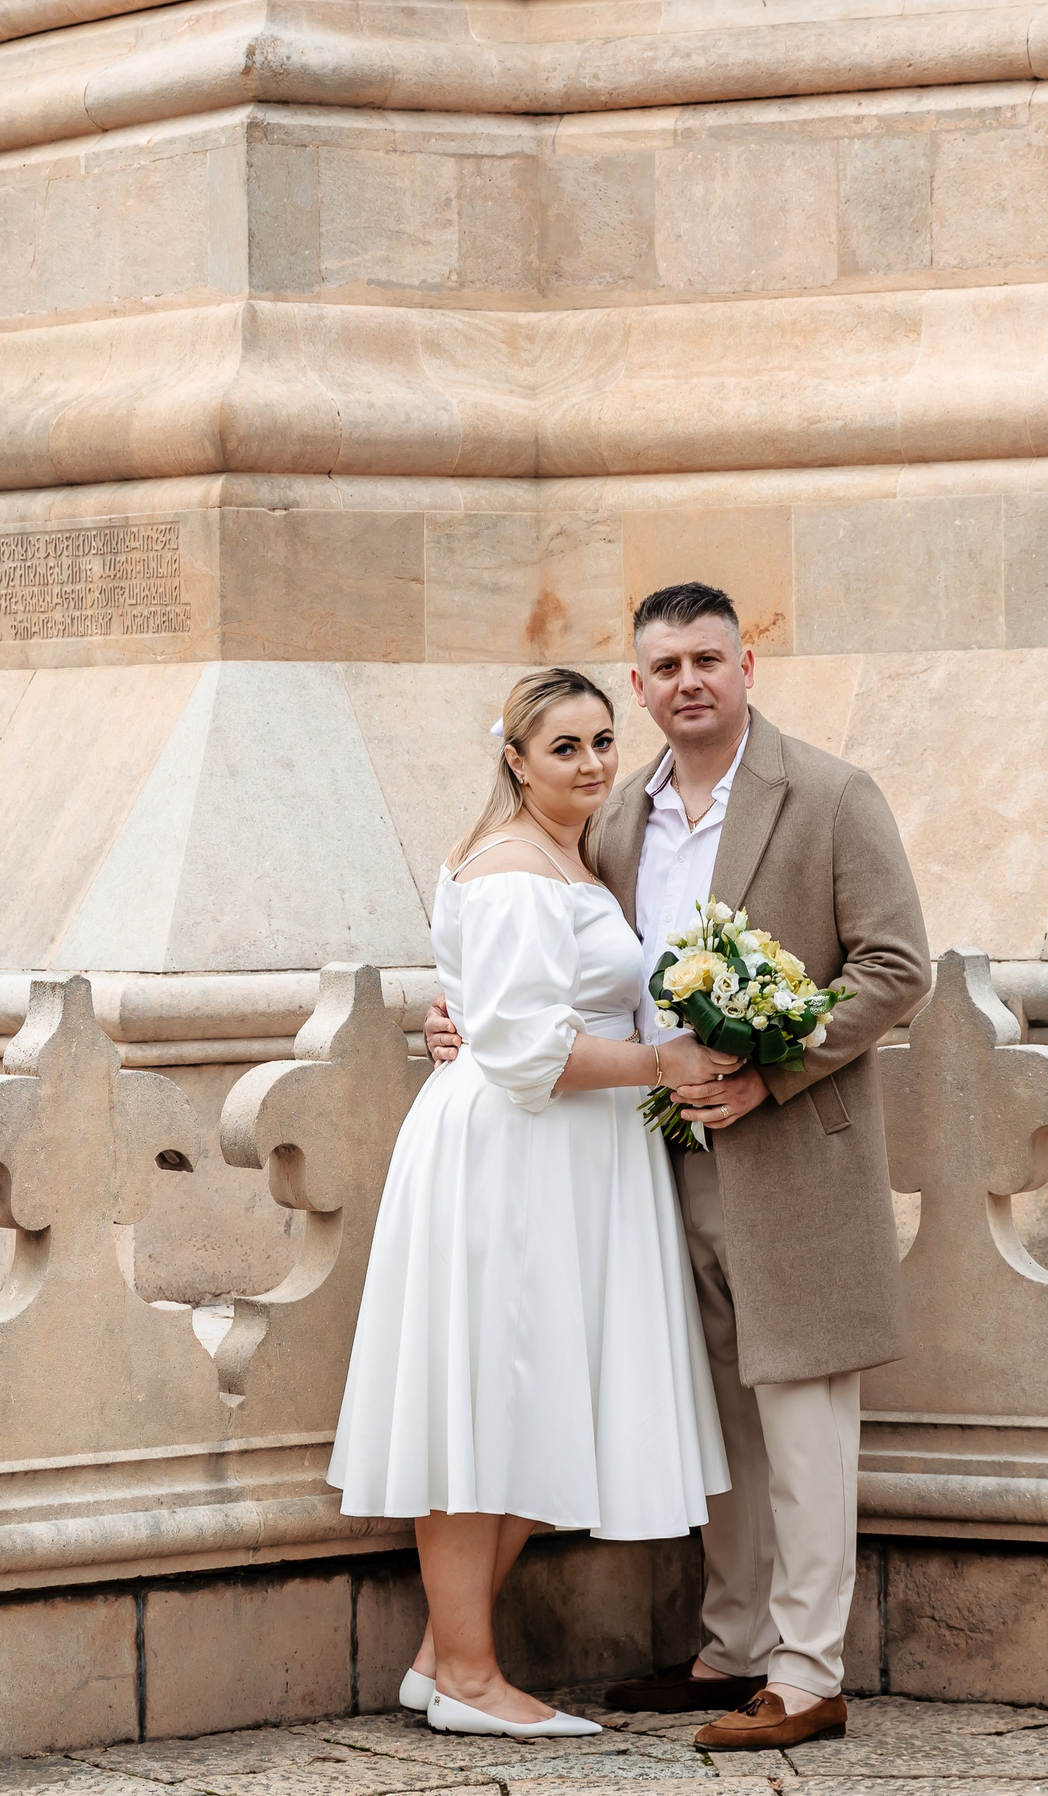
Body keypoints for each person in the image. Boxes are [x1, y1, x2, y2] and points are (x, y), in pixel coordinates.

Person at [422, 583, 931, 1750]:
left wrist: (774, 1066)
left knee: (802, 1414)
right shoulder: (612, 815)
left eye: (710, 657)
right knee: (721, 1418)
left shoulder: (831, 794)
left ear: (748, 666)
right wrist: (455, 1025)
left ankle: (806, 1674)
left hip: (792, 1152)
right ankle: (734, 1644)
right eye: (665, 667)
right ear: (641, 685)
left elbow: (897, 968)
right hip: (655, 1163)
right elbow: (542, 964)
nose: (688, 681)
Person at [330, 666, 737, 1740]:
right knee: (486, 1406)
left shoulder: (571, 853)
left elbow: (496, 1012)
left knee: (539, 1404)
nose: (595, 762)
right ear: (514, 757)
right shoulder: (516, 867)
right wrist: (665, 1063)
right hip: (511, 1160)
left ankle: (439, 1660)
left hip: (568, 1161)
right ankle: (467, 1675)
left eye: (604, 740)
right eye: (565, 746)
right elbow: (519, 1050)